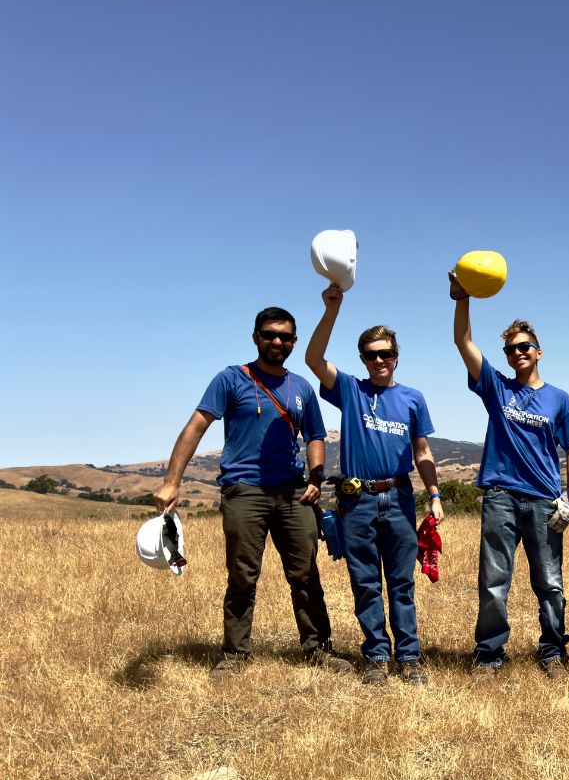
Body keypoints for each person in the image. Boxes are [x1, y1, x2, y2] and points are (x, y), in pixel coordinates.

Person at [153, 307, 352, 679]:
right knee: (243, 575)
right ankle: (234, 656)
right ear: (255, 337)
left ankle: (318, 649)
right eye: (269, 334)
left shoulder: (302, 388)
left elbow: (316, 436)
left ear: (294, 341)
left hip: (294, 492)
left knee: (306, 574)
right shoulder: (231, 379)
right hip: (245, 491)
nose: (277, 341)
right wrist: (171, 481)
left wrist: (317, 476)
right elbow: (196, 427)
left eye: (285, 336)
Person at [306, 283, 444, 686]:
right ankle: (377, 656)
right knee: (365, 582)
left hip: (399, 497)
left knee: (401, 582)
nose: (379, 360)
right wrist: (331, 310)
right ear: (363, 359)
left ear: (396, 358)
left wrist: (434, 494)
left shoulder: (413, 399)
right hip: (357, 500)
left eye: (386, 354)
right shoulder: (350, 389)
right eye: (371, 355)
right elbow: (314, 358)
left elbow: (423, 452)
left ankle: (409, 656)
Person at [452, 275, 569, 680]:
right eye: (510, 349)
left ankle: (552, 653)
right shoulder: (497, 388)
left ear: (539, 351)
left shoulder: (559, 399)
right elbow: (464, 343)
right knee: (494, 581)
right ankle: (490, 655)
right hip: (500, 497)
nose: (517, 353)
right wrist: (462, 300)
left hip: (545, 500)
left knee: (550, 582)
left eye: (524, 346)